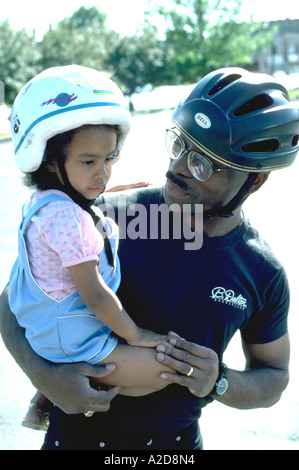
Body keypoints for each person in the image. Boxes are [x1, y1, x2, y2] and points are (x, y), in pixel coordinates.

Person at [0, 67, 298, 450]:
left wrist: (218, 380)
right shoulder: (108, 214)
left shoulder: (261, 271)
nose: (176, 169)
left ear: (254, 180)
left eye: (202, 164)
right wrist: (44, 376)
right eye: (179, 145)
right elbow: (12, 298)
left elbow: (272, 377)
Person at [6, 65, 174, 431]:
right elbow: (96, 296)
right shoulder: (71, 222)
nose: (102, 173)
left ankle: (41, 401)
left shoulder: (45, 201)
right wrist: (136, 336)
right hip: (71, 335)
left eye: (108, 159)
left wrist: (109, 190)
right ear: (49, 159)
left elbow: (76, 207)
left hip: (43, 325)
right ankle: (77, 382)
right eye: (88, 162)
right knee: (166, 371)